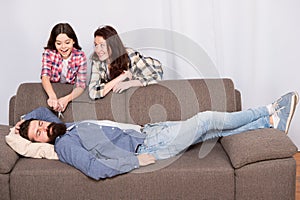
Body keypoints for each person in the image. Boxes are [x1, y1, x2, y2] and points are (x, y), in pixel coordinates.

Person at [15, 92, 298, 180]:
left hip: (150, 131)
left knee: (214, 131)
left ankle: (270, 123)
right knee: (206, 119)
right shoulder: (65, 143)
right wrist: (137, 162)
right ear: (41, 142)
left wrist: (24, 122)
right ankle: (269, 109)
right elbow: (92, 168)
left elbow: (42, 110)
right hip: (150, 145)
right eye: (37, 134)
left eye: (40, 124)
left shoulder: (63, 126)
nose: (42, 128)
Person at [88, 25, 163, 99]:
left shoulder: (130, 55)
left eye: (102, 45)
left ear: (113, 45)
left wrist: (129, 83)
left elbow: (156, 75)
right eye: (96, 45)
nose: (97, 50)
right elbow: (93, 93)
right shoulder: (97, 61)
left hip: (143, 85)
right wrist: (121, 77)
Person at [41, 23, 87, 112]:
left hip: (70, 92)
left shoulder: (80, 56)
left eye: (67, 42)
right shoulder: (49, 53)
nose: (63, 47)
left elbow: (81, 85)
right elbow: (45, 76)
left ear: (73, 41)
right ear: (54, 43)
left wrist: (66, 99)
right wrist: (52, 96)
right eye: (59, 43)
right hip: (52, 90)